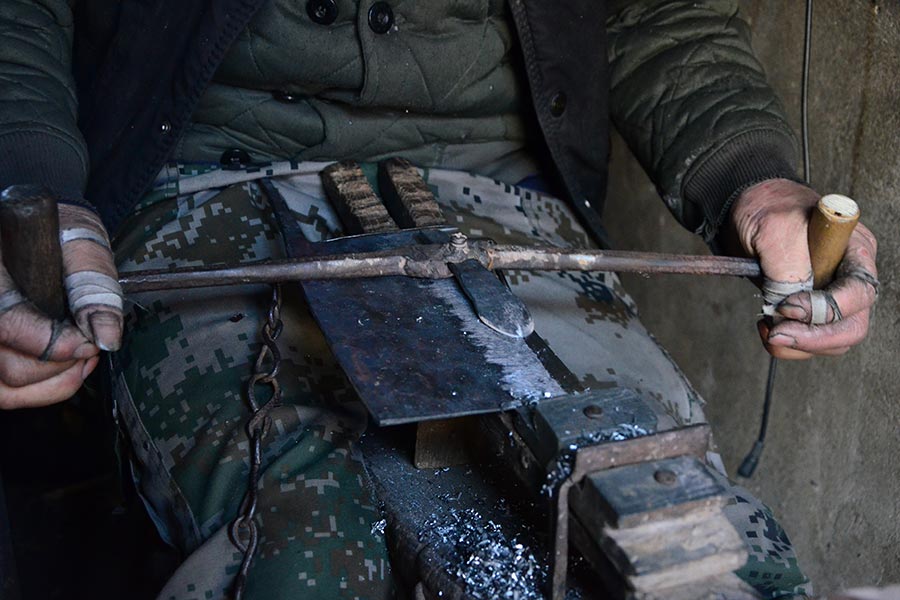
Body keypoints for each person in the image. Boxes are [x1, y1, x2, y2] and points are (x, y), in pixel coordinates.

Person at [0, 0, 879, 598]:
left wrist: (752, 175)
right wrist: (26, 183)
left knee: (691, 532)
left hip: (501, 194)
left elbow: (659, 14)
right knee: (299, 549)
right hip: (203, 177)